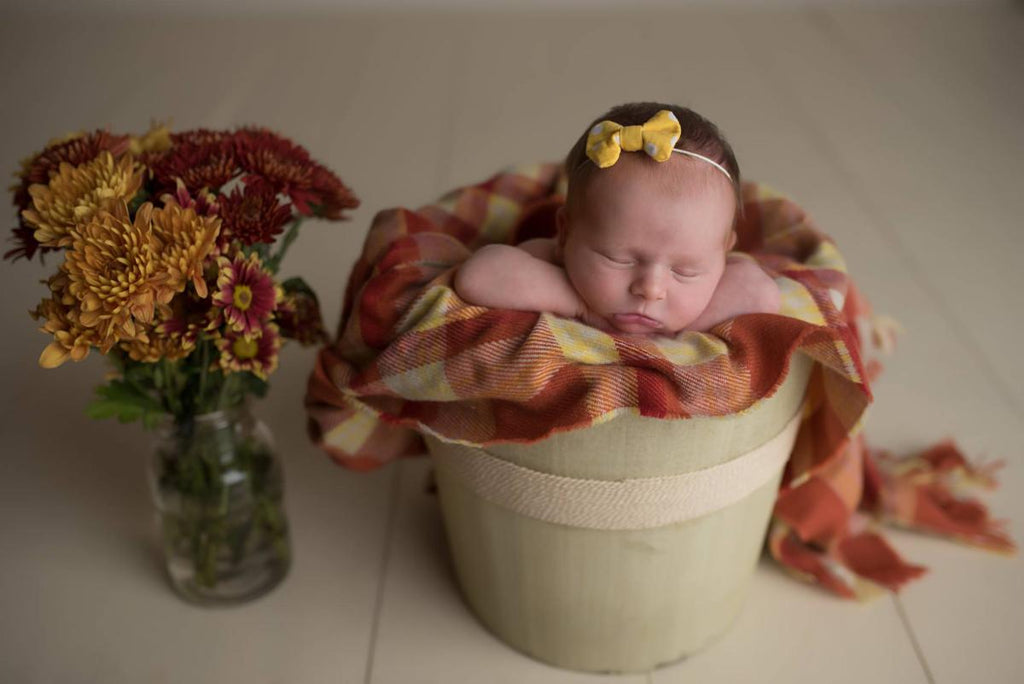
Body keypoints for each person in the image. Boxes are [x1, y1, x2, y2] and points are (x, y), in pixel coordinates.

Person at [454, 102, 780, 336]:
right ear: (565, 234)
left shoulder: (722, 279)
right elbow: (478, 276)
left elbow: (762, 294)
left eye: (685, 271)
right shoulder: (551, 264)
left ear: (724, 253)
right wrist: (580, 306)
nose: (651, 289)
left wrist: (682, 330)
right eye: (619, 259)